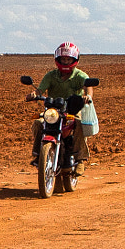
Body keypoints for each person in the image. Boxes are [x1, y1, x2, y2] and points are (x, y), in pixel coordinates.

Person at [31, 41, 94, 171]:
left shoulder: (80, 75)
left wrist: (88, 96)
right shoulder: (51, 75)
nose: (65, 62)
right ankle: (39, 154)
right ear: (58, 59)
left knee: (79, 123)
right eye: (63, 59)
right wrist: (34, 93)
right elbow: (40, 89)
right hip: (53, 110)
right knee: (38, 123)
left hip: (72, 109)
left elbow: (88, 86)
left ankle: (80, 159)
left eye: (68, 59)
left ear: (74, 59)